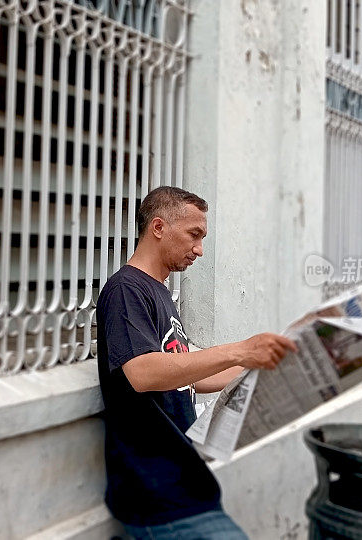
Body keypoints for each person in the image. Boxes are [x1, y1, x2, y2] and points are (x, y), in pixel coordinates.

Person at [97, 186, 298, 539]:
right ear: (158, 228)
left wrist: (263, 363)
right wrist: (239, 350)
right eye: (194, 235)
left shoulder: (159, 291)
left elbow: (188, 376)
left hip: (186, 487)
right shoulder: (126, 289)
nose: (200, 250)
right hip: (157, 495)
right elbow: (142, 373)